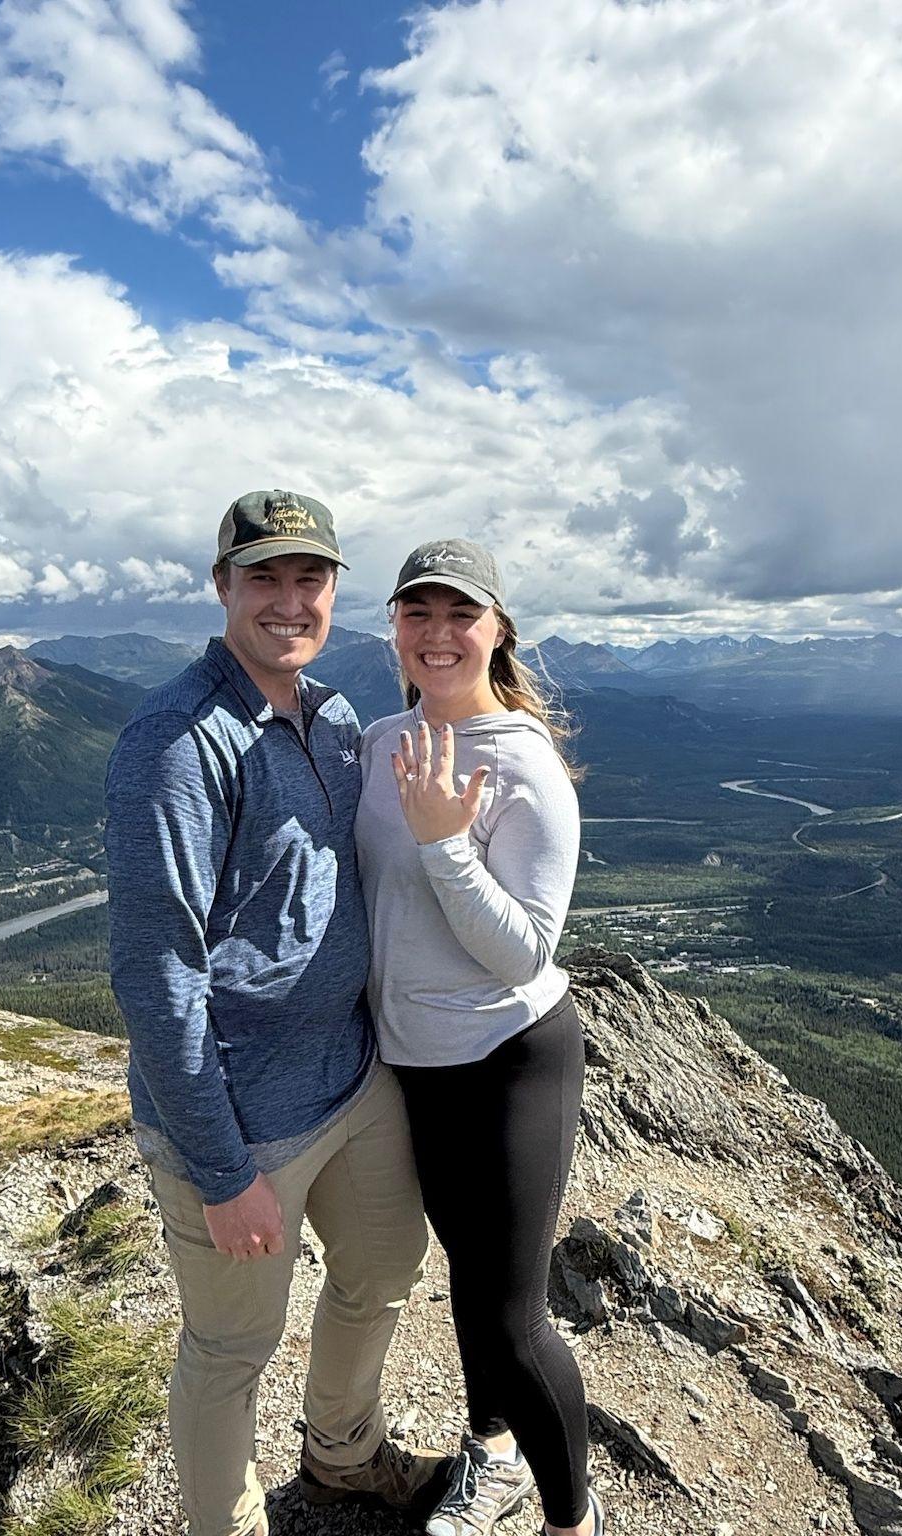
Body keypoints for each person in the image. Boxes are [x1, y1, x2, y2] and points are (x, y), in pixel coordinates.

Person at [104, 490, 447, 1536]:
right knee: (228, 1352)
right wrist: (221, 1169)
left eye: (311, 578)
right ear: (223, 588)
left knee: (385, 1268)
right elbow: (157, 972)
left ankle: (342, 1454)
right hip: (243, 1120)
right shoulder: (177, 742)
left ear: (337, 591)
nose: (289, 601)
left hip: (353, 1081)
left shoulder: (331, 717)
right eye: (264, 578)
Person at [355, 539, 603, 1536]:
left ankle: (571, 1522)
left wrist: (445, 842)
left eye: (461, 614)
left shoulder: (525, 768)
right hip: (415, 1062)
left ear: (498, 631)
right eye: (418, 612)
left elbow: (525, 951)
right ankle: (491, 1452)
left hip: (509, 1059)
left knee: (512, 1318)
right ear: (396, 630)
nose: (438, 633)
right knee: (467, 1277)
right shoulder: (379, 742)